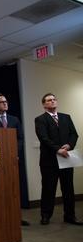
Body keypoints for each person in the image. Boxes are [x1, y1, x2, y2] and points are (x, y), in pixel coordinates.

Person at [0, 93, 30, 226]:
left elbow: (20, 138)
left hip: (13, 160)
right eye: (1, 102)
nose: (5, 103)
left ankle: (16, 217)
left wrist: (15, 152)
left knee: (13, 189)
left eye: (6, 101)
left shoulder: (14, 119)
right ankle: (0, 217)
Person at [34, 93, 81, 226]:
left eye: (54, 99)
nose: (53, 101)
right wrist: (57, 149)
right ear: (44, 104)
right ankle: (45, 216)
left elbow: (74, 134)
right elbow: (43, 138)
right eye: (49, 100)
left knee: (68, 188)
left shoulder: (66, 117)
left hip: (67, 158)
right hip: (49, 160)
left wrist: (69, 145)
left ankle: (70, 216)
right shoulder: (40, 119)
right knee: (48, 188)